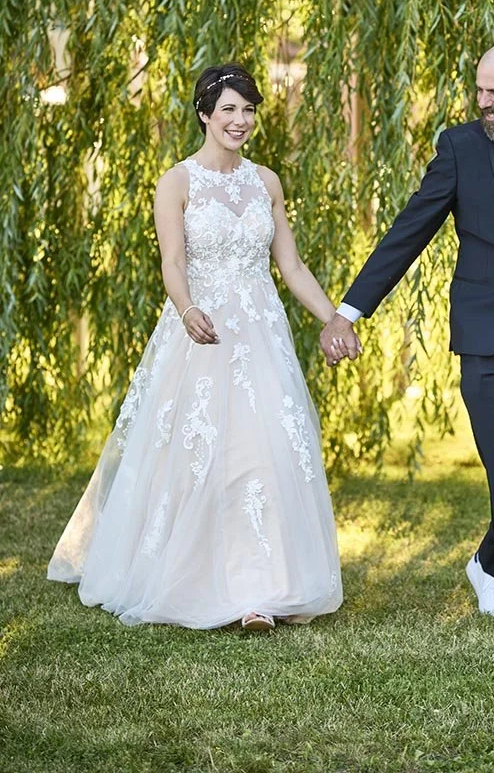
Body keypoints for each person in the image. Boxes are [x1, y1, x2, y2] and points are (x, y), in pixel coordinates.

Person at [321, 40, 494, 642]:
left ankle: (489, 560)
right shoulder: (461, 147)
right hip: (488, 335)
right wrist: (350, 310)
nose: (484, 102)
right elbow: (410, 231)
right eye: (479, 90)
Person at [48, 63, 343, 632]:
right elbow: (173, 262)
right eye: (229, 109)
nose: (241, 120)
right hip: (200, 332)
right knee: (198, 458)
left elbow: (293, 265)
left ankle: (259, 592)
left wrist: (333, 318)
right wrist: (186, 310)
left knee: (263, 454)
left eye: (249, 109)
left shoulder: (267, 182)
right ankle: (192, 577)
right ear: (205, 114)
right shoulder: (176, 182)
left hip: (261, 335)